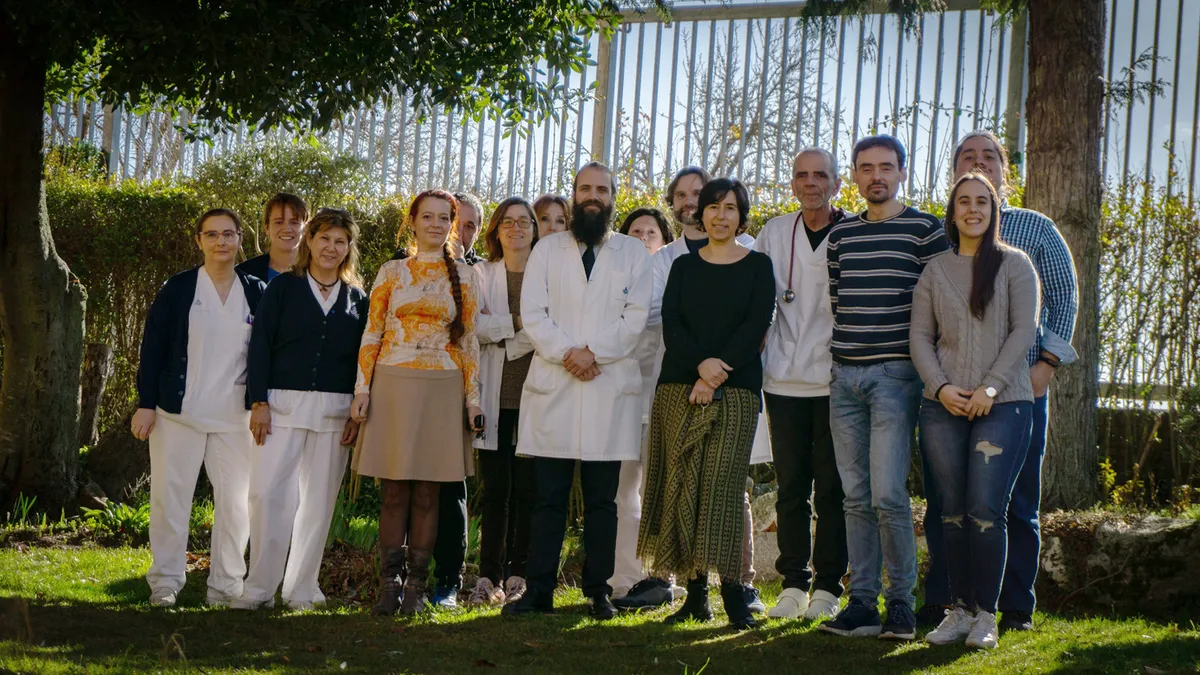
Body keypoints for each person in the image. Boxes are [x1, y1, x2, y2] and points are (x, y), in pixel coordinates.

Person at [920, 130, 1080, 633]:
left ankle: (1012, 607)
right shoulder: (942, 236)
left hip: (1016, 388)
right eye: (968, 156)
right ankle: (947, 602)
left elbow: (1063, 299)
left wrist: (1045, 365)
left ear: (1004, 171)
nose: (979, 162)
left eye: (989, 156)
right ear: (955, 175)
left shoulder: (1035, 230)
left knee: (1014, 502)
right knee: (948, 504)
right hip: (950, 391)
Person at [502, 162, 652, 620]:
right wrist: (570, 353)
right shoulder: (547, 250)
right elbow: (534, 313)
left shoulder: (633, 253)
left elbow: (636, 318)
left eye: (602, 190)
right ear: (573, 195)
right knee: (548, 498)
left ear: (613, 198)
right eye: (585, 188)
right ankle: (540, 590)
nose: (593, 196)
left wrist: (593, 354)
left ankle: (598, 591)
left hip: (608, 387)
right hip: (557, 384)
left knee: (604, 501)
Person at [818, 135, 948, 641]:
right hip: (843, 377)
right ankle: (862, 605)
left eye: (886, 167)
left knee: (889, 495)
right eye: (866, 167)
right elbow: (840, 300)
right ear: (853, 175)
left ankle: (901, 606)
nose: (877, 176)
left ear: (902, 173)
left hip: (896, 376)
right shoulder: (841, 236)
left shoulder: (925, 230)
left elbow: (939, 304)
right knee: (855, 497)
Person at [637, 178, 775, 630]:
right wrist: (699, 367)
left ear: (741, 216)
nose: (720, 215)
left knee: (723, 488)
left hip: (736, 389)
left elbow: (755, 325)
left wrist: (715, 373)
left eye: (730, 208)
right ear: (702, 214)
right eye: (713, 207)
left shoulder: (758, 266)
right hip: (679, 386)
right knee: (684, 484)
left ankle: (734, 593)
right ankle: (695, 597)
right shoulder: (682, 266)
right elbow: (671, 323)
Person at [913, 173, 1039, 650]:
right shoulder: (935, 270)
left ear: (993, 209)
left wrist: (990, 387)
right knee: (951, 513)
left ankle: (986, 614)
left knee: (986, 511)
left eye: (981, 201)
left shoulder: (1015, 265)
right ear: (952, 212)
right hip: (943, 405)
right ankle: (959, 611)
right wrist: (941, 387)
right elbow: (919, 337)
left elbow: (1024, 332)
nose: (972, 209)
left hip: (1004, 404)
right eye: (963, 201)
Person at [351, 190, 484, 616]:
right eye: (427, 216)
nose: (435, 224)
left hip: (443, 387)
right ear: (412, 221)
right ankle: (388, 586)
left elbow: (468, 342)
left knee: (428, 492)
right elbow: (372, 332)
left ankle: (416, 590)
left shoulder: (466, 276)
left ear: (452, 224)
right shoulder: (391, 271)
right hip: (392, 383)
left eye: (444, 218)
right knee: (394, 491)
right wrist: (362, 389)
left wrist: (473, 401)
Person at [234, 208, 369, 611]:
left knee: (318, 504)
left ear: (349, 248)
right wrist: (258, 401)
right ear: (309, 240)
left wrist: (356, 414)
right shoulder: (283, 288)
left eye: (340, 241)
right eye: (324, 238)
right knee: (266, 496)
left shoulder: (357, 299)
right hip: (280, 407)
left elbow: (364, 358)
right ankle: (259, 589)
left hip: (334, 412)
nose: (331, 247)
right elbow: (260, 346)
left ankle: (301, 590)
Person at [132, 208, 266, 608]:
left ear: (240, 239)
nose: (221, 242)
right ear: (199, 241)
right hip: (178, 415)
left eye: (228, 234)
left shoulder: (257, 291)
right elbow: (152, 349)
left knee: (235, 505)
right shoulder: (178, 289)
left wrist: (261, 402)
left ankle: (225, 586)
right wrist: (146, 404)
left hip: (235, 418)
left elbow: (266, 354)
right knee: (170, 500)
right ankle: (165, 583)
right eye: (212, 234)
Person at [754, 149, 849, 622]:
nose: (810, 183)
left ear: (837, 183)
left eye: (820, 175)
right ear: (792, 183)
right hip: (784, 379)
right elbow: (755, 297)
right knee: (791, 488)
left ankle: (828, 587)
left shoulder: (853, 231)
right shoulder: (774, 232)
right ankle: (793, 584)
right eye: (801, 175)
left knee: (833, 489)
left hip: (837, 380)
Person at [465, 197, 540, 608]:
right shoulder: (482, 273)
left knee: (527, 490)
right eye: (507, 222)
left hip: (535, 395)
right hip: (493, 397)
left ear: (534, 229)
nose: (516, 228)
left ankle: (518, 576)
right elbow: (471, 326)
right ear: (495, 230)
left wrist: (504, 334)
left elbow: (550, 327)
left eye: (524, 221)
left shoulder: (546, 274)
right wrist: (516, 323)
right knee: (496, 491)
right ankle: (487, 576)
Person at [608, 207, 676, 606]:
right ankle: (624, 578)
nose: (643, 238)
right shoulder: (612, 278)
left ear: (664, 241)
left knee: (663, 490)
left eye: (652, 232)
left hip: (664, 397)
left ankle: (663, 576)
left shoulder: (676, 276)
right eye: (636, 231)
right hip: (622, 399)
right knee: (624, 493)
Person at [237, 192, 309, 282]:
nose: (287, 229)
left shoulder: (319, 273)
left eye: (294, 222)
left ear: (305, 228)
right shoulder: (243, 274)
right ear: (267, 228)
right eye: (279, 222)